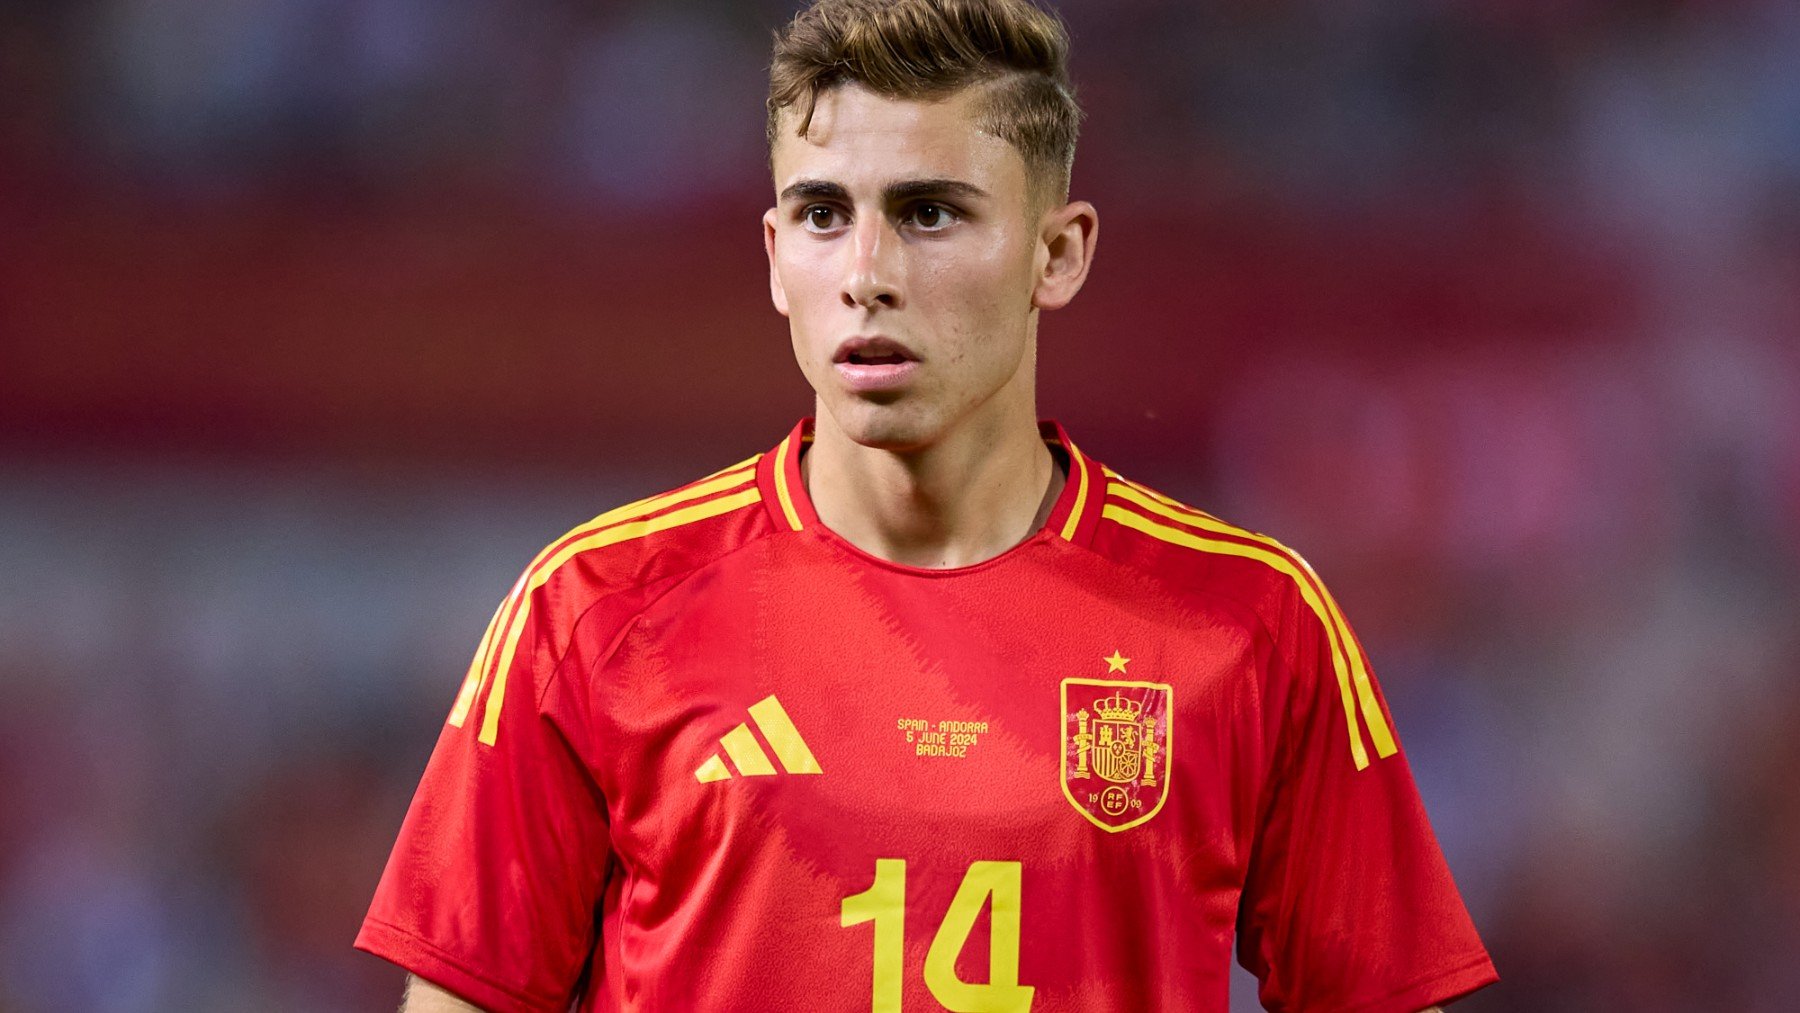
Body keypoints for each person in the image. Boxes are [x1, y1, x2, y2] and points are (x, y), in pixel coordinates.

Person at [356, 1, 1498, 1009]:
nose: (866, 270)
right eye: (819, 214)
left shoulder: (1249, 621)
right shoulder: (593, 610)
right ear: (770, 257)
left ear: (1059, 252)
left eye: (930, 212)